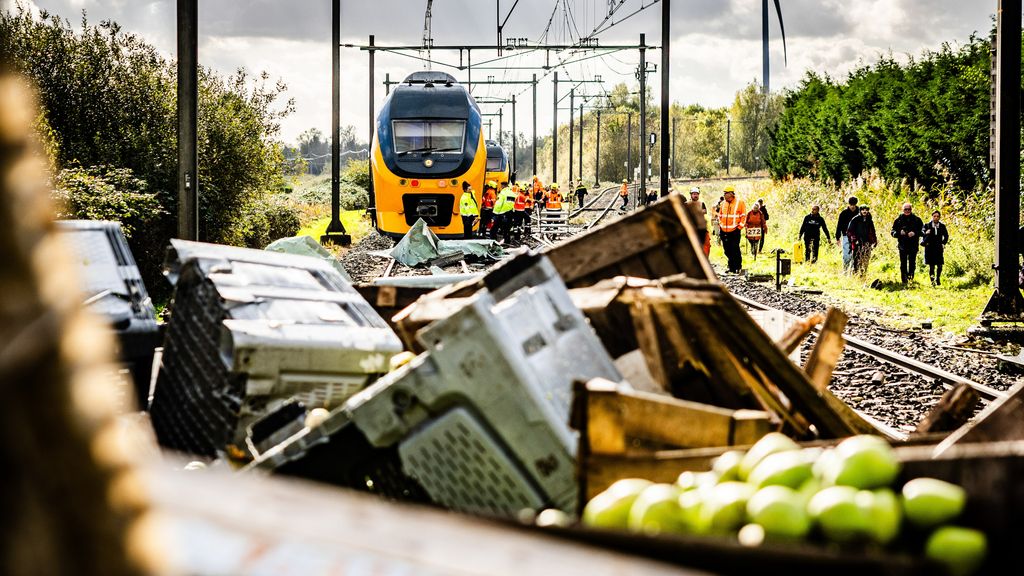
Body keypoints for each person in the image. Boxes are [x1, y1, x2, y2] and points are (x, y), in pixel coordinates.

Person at [891, 202, 924, 286]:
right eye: (905, 209)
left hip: (913, 244)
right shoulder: (898, 220)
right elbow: (893, 232)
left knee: (912, 262)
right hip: (902, 245)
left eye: (909, 209)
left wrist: (915, 233)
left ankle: (911, 278)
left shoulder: (917, 220)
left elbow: (923, 232)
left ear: (911, 210)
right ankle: (904, 280)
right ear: (903, 210)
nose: (907, 211)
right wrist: (899, 232)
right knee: (903, 263)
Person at [716, 186, 746, 273]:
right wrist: (720, 224)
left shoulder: (740, 203)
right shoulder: (723, 204)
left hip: (734, 231)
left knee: (735, 249)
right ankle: (731, 267)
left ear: (731, 194)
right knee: (727, 250)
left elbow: (743, 216)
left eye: (726, 193)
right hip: (724, 231)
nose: (724, 195)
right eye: (724, 193)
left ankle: (737, 267)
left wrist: (739, 227)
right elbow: (720, 215)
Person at [921, 210, 949, 286]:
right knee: (931, 266)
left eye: (937, 216)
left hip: (938, 247)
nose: (936, 218)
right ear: (932, 216)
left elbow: (946, 236)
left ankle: (938, 278)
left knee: (940, 265)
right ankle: (932, 281)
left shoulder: (942, 226)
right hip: (930, 247)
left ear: (939, 217)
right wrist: (926, 232)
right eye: (934, 216)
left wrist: (943, 243)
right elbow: (922, 232)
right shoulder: (927, 225)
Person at [847, 205, 877, 276]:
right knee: (856, 259)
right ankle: (855, 274)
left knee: (866, 259)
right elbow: (849, 231)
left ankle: (863, 274)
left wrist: (874, 240)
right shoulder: (855, 219)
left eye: (866, 210)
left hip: (867, 242)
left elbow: (873, 231)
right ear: (860, 211)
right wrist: (853, 238)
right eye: (863, 210)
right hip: (857, 242)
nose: (865, 211)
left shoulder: (869, 220)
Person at [835, 196, 859, 271]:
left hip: (857, 236)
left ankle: (853, 270)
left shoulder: (859, 212)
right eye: (851, 205)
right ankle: (845, 270)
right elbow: (839, 225)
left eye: (854, 205)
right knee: (846, 255)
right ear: (849, 204)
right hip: (846, 236)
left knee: (855, 255)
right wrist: (837, 237)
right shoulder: (844, 213)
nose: (852, 206)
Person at [687, 186, 710, 257]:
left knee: (705, 245)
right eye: (694, 194)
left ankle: (704, 259)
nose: (695, 195)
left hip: (701, 227)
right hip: (691, 228)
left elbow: (705, 211)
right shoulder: (687, 204)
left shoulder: (701, 203)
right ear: (691, 195)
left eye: (696, 194)